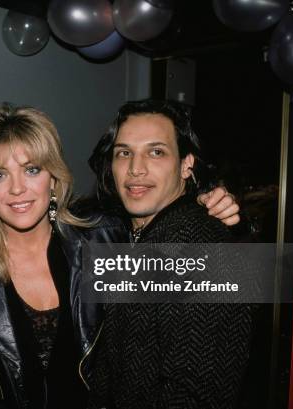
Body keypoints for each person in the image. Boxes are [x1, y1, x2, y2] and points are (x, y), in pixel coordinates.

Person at [0, 103, 240, 409]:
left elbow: (185, 258)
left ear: (54, 178)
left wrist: (206, 200)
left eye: (32, 169)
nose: (17, 188)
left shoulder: (104, 239)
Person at [86, 99, 254, 409]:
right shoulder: (126, 233)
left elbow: (195, 395)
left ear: (186, 164)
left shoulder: (196, 245)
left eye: (156, 152)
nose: (136, 169)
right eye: (124, 153)